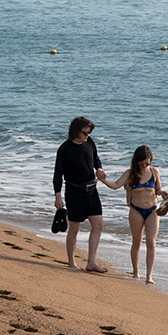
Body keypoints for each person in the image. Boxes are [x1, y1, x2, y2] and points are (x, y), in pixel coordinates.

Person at [100, 145, 168, 283]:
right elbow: (115, 185)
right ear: (136, 161)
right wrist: (103, 180)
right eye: (142, 163)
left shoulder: (154, 172)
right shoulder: (130, 173)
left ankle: (149, 275)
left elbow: (158, 188)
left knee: (151, 242)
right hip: (136, 210)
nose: (144, 166)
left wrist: (162, 193)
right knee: (136, 242)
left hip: (152, 210)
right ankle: (136, 272)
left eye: (147, 163)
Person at [53, 116, 108, 273]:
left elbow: (96, 159)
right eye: (85, 133)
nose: (87, 136)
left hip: (91, 190)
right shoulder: (64, 149)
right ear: (76, 131)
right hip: (74, 191)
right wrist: (58, 195)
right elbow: (58, 174)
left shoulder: (89, 142)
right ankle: (71, 262)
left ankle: (91, 262)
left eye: (89, 133)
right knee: (74, 228)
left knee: (98, 225)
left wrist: (99, 168)